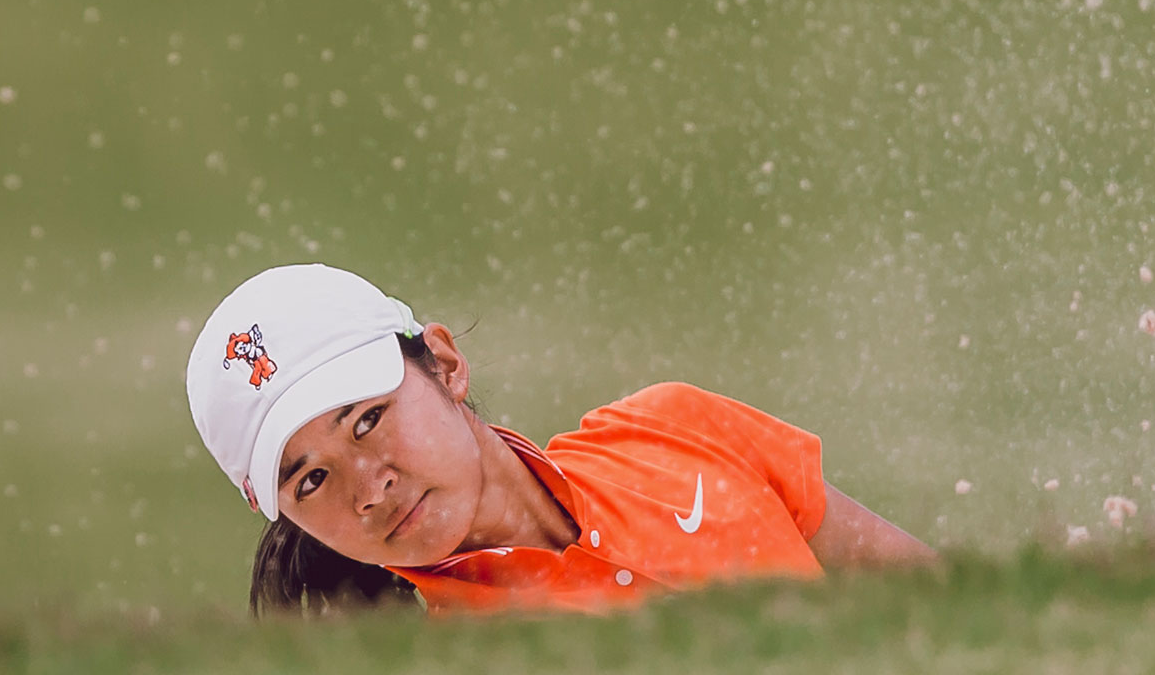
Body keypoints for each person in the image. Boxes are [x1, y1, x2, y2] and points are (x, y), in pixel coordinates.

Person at [184, 264, 938, 616]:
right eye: (310, 481)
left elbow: (939, 606)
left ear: (443, 364)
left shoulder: (673, 430)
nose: (369, 487)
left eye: (368, 419)